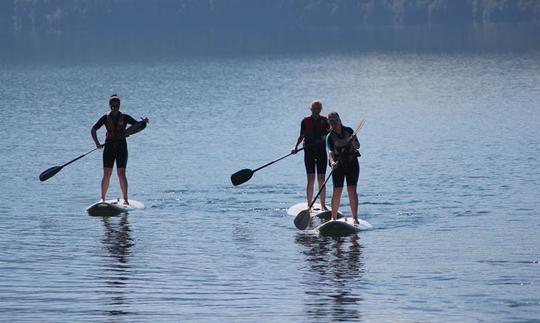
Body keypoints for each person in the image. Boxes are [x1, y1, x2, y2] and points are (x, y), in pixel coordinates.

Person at [91, 94, 148, 205]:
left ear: (119, 105)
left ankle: (125, 199)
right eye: (113, 105)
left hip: (121, 147)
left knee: (121, 173)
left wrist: (143, 122)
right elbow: (93, 130)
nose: (115, 107)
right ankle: (102, 198)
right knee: (107, 174)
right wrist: (97, 143)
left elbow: (137, 126)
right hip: (108, 148)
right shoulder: (105, 118)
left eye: (117, 105)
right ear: (110, 106)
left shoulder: (125, 117)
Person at [291, 100, 330, 210]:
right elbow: (301, 136)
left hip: (321, 151)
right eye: (314, 108)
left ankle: (323, 205)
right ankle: (309, 204)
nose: (316, 110)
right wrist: (295, 147)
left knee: (321, 179)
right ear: (311, 109)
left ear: (320, 109)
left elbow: (330, 135)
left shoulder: (325, 121)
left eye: (318, 109)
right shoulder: (305, 121)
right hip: (309, 151)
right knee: (311, 178)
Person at [326, 112, 361, 224]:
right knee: (337, 191)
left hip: (352, 163)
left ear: (339, 120)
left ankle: (355, 218)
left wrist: (354, 140)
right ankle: (333, 217)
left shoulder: (349, 131)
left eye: (335, 120)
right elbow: (330, 152)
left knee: (352, 190)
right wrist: (332, 163)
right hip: (338, 165)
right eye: (331, 121)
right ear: (329, 122)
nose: (334, 123)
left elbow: (358, 146)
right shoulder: (329, 136)